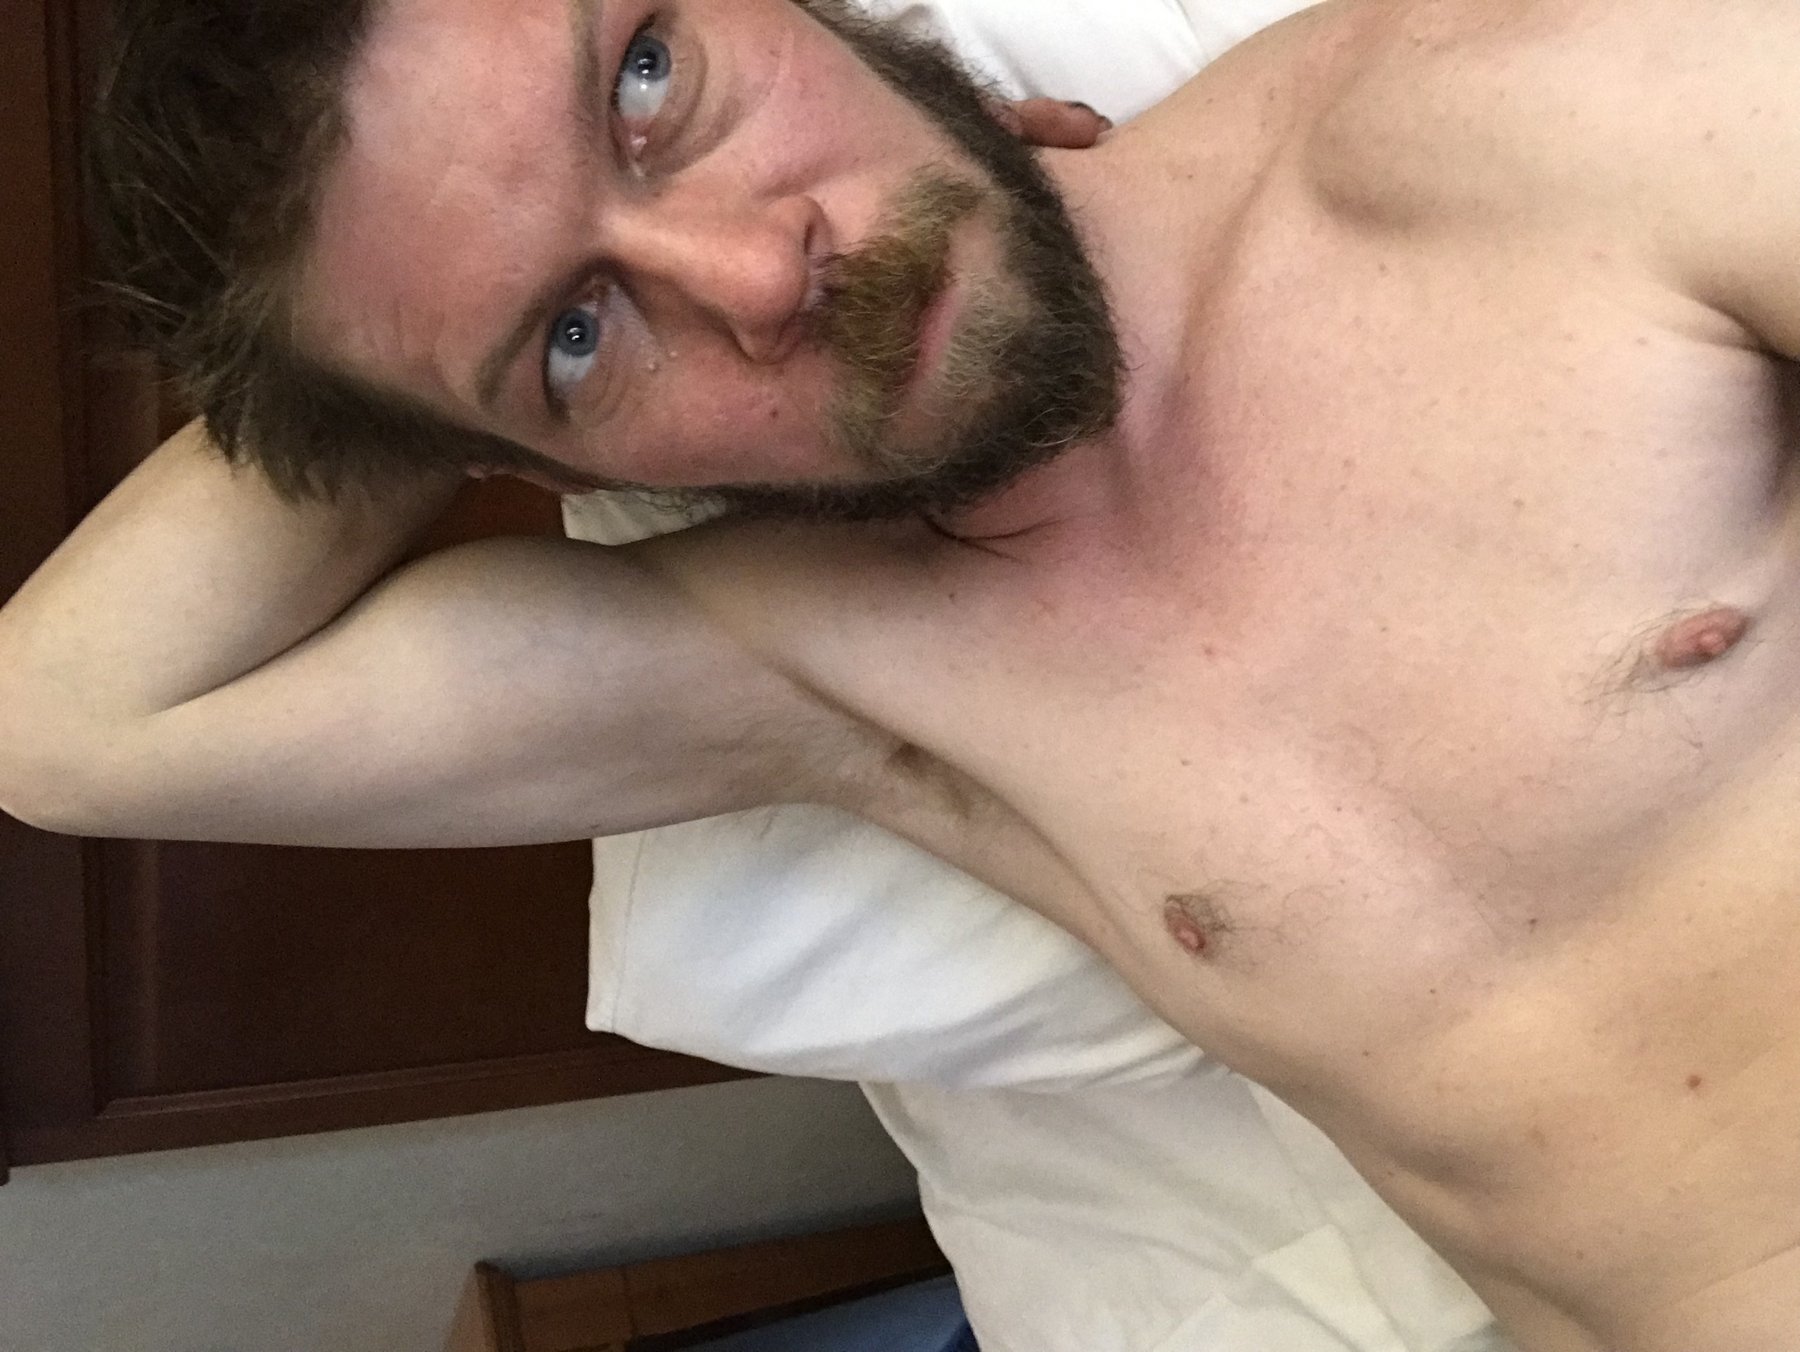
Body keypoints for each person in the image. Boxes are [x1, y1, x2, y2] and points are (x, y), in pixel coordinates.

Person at [1, 0, 1797, 1346]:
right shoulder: (827, 666)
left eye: (649, 78)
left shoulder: (1530, 119)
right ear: (539, 473)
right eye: (578, 334)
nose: (758, 272)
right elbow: (65, 726)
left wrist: (493, 321)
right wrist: (392, 352)